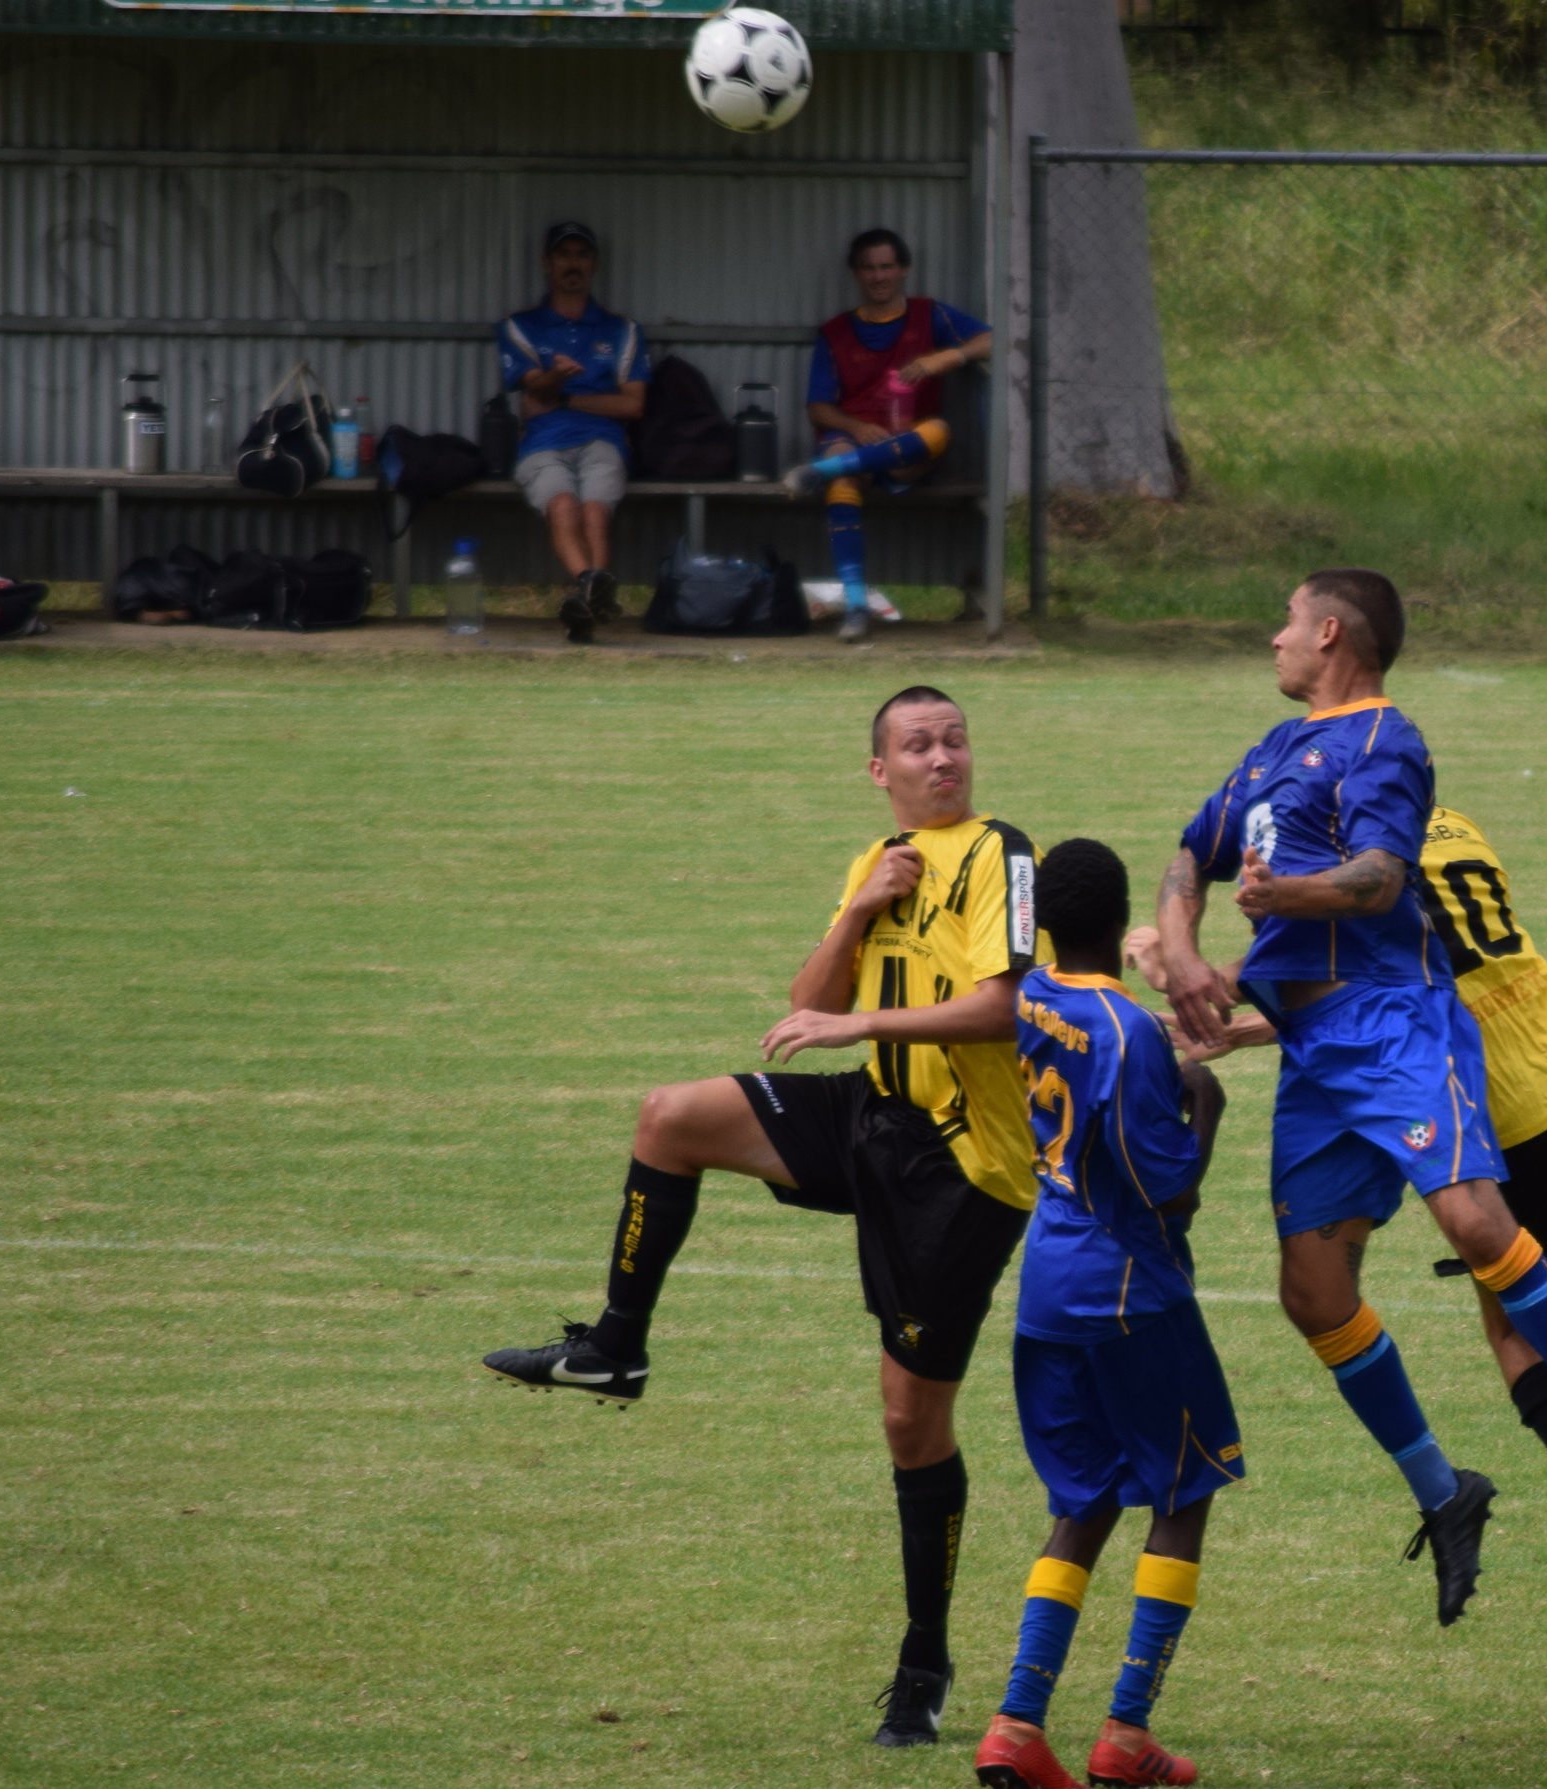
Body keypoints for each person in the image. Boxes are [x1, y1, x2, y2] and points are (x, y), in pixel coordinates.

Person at [479, 685, 1042, 1747]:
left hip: (962, 1171)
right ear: (880, 770)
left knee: (908, 1423)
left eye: (954, 739)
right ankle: (614, 1348)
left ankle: (923, 1663)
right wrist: (861, 905)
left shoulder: (999, 852)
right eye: (917, 745)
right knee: (672, 1117)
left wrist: (862, 1019)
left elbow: (1009, 1007)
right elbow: (806, 992)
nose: (943, 758)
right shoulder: (880, 857)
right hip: (874, 1111)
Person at [1151, 567, 1547, 1626]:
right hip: (1312, 1052)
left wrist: (1276, 897)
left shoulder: (1385, 743)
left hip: (1391, 1018)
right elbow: (1183, 855)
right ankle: (1443, 1489)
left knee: (1476, 1217)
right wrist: (1186, 953)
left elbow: (1381, 879)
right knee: (1313, 1293)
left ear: (1329, 631)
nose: (1274, 638)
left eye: (1287, 621)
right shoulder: (1268, 752)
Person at [1128, 806, 1547, 1618]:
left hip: (1505, 1091)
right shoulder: (1446, 823)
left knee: (1516, 1320)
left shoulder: (1339, 866)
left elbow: (1370, 979)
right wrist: (1252, 1027)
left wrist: (1189, 966)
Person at [974, 839, 1236, 1789]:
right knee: (1185, 1485)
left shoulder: (1036, 991)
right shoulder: (1131, 1034)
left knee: (1082, 1500)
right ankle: (1125, 1730)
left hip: (1046, 1287)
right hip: (1128, 1291)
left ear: (1043, 919)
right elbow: (1168, 1189)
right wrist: (1203, 1104)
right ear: (1117, 911)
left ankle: (1014, 1724)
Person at [783, 228, 994, 644]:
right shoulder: (836, 332)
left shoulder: (928, 314)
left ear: (903, 270)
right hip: (855, 436)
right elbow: (818, 408)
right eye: (868, 268)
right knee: (844, 484)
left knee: (940, 430)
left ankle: (820, 471)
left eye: (886, 266)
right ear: (855, 274)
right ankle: (858, 608)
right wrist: (856, 426)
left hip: (907, 446)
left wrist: (947, 358)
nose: (878, 276)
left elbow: (994, 338)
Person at [497, 221, 650, 645]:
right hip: (543, 443)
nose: (573, 264)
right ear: (547, 264)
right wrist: (554, 378)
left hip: (604, 440)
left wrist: (563, 397)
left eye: (582, 255)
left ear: (595, 265)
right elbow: (533, 389)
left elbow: (633, 405)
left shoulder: (622, 329)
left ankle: (586, 599)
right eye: (564, 255)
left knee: (595, 512)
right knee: (563, 506)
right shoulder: (520, 325)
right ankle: (592, 595)